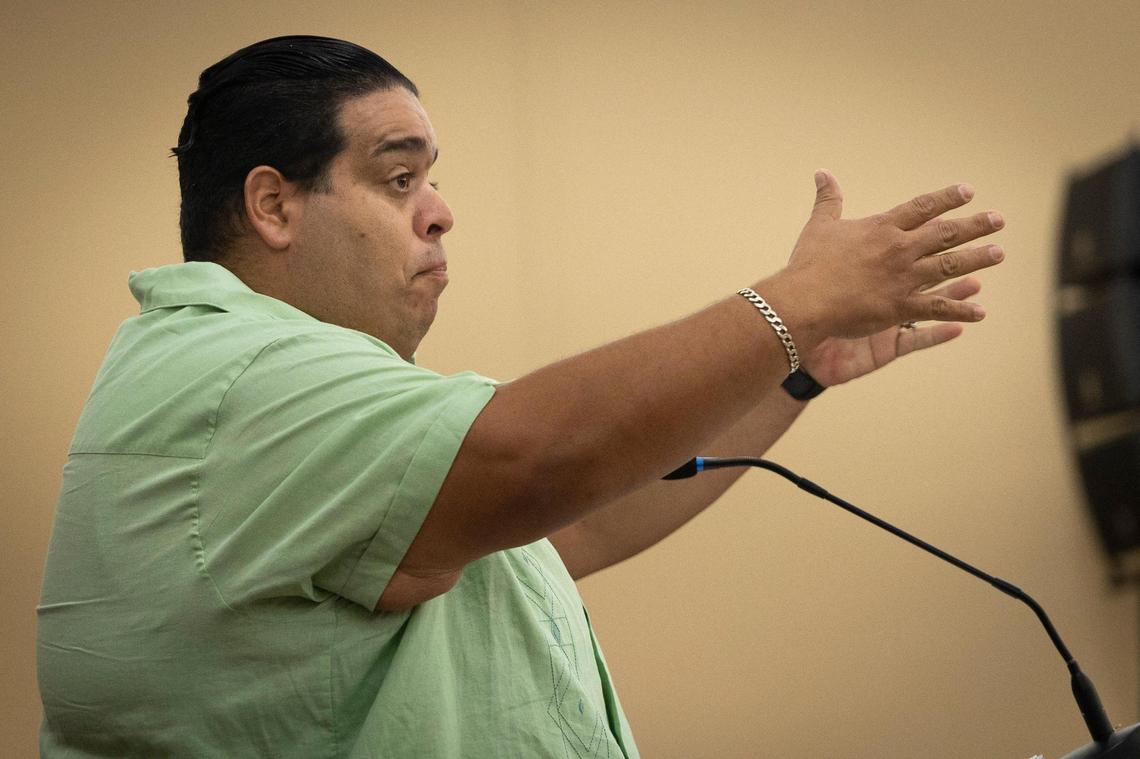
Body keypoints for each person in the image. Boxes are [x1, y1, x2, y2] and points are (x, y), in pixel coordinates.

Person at [36, 35, 1005, 758]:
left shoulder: (283, 396)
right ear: (274, 205)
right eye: (399, 176)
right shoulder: (238, 372)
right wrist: (792, 304)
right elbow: (542, 456)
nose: (442, 210)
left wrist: (794, 368)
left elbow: (565, 527)